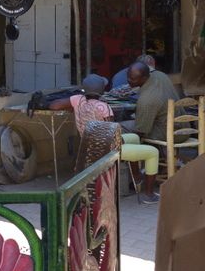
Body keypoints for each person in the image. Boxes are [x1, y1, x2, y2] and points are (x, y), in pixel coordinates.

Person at [49, 73, 161, 204]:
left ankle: (136, 177)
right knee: (153, 152)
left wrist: (76, 107)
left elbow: (54, 105)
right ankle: (149, 194)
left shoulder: (77, 99)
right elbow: (111, 134)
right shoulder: (104, 107)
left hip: (89, 144)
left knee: (134, 137)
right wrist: (121, 140)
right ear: (102, 91)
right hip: (106, 149)